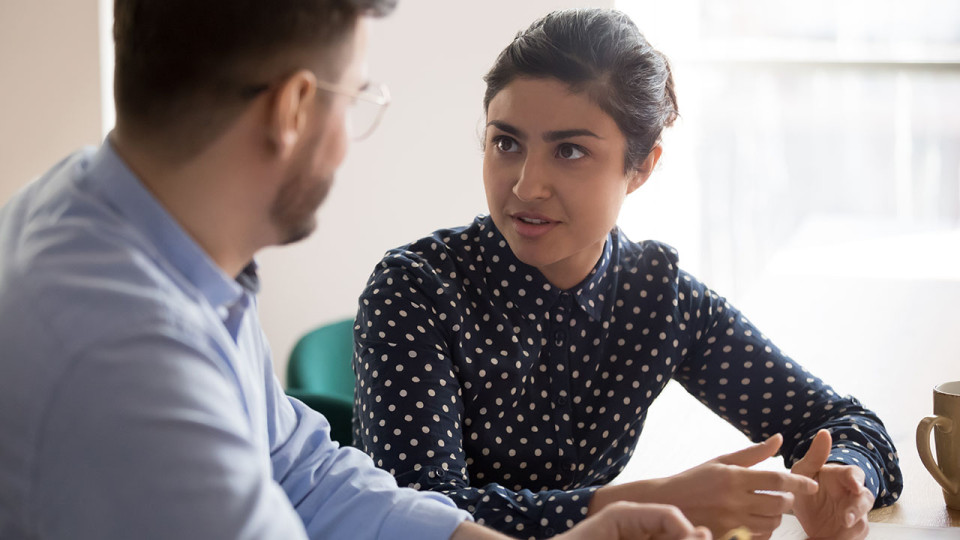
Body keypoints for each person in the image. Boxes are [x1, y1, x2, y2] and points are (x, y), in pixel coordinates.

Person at [0, 1, 713, 540]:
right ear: (294, 108)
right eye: (359, 96)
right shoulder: (130, 364)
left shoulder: (129, 230)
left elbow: (305, 472)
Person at [353, 8, 903, 540]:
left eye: (569, 150)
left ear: (641, 167)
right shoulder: (415, 290)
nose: (526, 185)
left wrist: (846, 482)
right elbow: (415, 516)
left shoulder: (657, 299)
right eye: (506, 142)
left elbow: (845, 422)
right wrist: (650, 503)